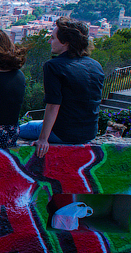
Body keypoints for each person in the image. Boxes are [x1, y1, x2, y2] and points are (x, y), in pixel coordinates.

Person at [17, 17, 104, 157]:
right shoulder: (95, 65)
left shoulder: (54, 66)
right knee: (34, 123)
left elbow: (53, 105)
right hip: (89, 132)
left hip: (63, 134)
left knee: (20, 129)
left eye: (52, 38)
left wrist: (43, 139)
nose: (49, 41)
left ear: (65, 42)